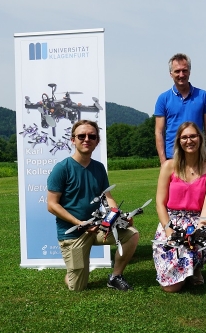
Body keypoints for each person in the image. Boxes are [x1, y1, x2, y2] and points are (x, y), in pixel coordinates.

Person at [47, 120, 139, 292]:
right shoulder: (62, 169)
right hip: (74, 233)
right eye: (81, 136)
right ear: (72, 140)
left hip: (97, 228)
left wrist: (119, 217)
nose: (86, 139)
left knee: (131, 234)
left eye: (92, 136)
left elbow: (108, 196)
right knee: (77, 287)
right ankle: (73, 273)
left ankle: (115, 276)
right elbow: (52, 205)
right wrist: (79, 223)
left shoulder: (99, 168)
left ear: (97, 141)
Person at [153, 122, 206, 292]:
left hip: (197, 222)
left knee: (191, 249)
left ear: (200, 139)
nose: (189, 140)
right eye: (184, 137)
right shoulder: (168, 166)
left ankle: (195, 267)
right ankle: (187, 270)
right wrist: (169, 231)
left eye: (193, 136)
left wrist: (199, 229)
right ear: (179, 141)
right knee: (171, 288)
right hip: (171, 221)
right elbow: (160, 203)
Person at [154, 53, 206, 164]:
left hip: (198, 156)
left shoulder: (202, 95)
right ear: (171, 74)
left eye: (184, 70)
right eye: (177, 71)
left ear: (189, 72)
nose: (181, 75)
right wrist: (163, 162)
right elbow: (159, 132)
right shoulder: (163, 99)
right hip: (173, 157)